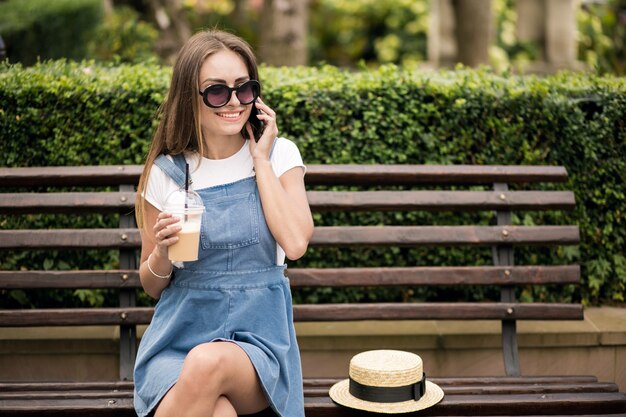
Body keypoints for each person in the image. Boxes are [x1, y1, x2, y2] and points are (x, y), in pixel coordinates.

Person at [133, 29, 314, 417]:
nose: (233, 102)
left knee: (206, 362)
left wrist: (260, 160)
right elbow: (150, 285)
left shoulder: (280, 155)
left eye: (244, 88)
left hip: (257, 341)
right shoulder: (167, 173)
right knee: (219, 412)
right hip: (178, 337)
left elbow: (296, 243)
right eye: (217, 91)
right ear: (189, 97)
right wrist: (163, 251)